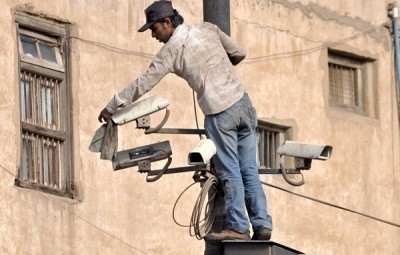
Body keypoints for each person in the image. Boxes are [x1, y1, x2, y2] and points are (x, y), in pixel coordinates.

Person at [98, 0, 273, 241]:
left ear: (168, 23)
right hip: (243, 104)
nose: (153, 35)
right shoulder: (208, 28)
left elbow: (142, 84)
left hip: (220, 112)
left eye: (154, 28)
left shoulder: (170, 51)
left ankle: (238, 227)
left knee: (230, 170)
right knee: (249, 169)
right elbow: (239, 53)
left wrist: (112, 107)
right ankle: (262, 224)